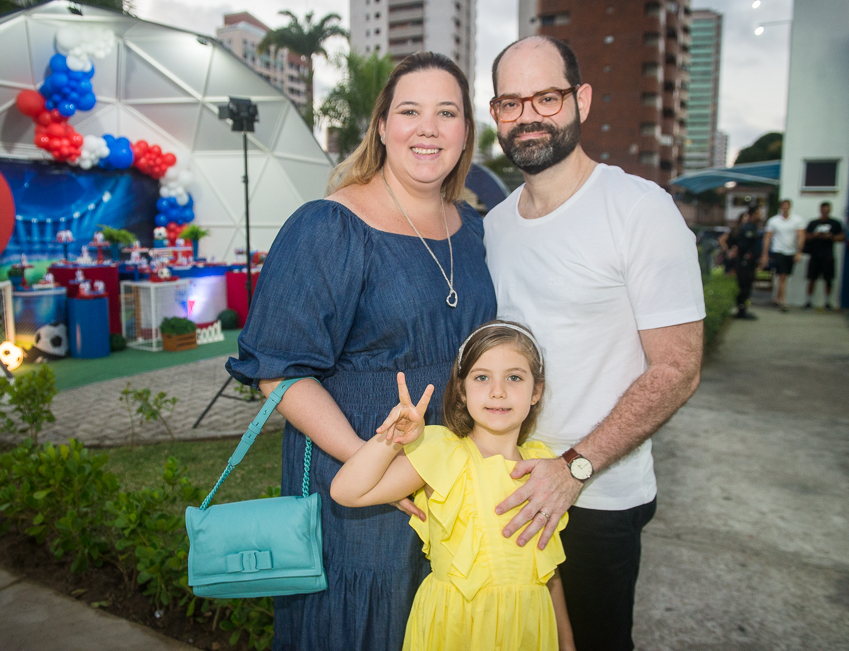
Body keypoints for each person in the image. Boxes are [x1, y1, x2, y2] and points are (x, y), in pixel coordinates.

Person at [225, 52, 496, 651]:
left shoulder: (473, 229)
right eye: (410, 111)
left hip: (450, 479)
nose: (428, 128)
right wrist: (378, 471)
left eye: (447, 112)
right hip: (356, 480)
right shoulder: (329, 226)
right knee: (366, 624)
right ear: (381, 126)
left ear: (466, 133)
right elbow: (280, 372)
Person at [482, 36, 706, 651]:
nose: (528, 115)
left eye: (547, 97)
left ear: (580, 100)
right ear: (496, 114)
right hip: (508, 492)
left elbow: (677, 370)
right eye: (510, 102)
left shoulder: (639, 210)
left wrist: (573, 468)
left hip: (598, 497)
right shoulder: (494, 228)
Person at [331, 321, 576, 651]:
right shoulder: (442, 452)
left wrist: (566, 641)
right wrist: (392, 439)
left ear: (536, 391)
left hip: (529, 630)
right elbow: (346, 491)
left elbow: (548, 569)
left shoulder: (544, 467)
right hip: (454, 629)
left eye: (514, 377)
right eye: (482, 377)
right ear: (462, 390)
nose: (498, 391)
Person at [761, 199, 806, 312]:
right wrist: (765, 254)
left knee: (784, 276)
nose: (785, 208)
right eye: (783, 206)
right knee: (782, 275)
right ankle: (783, 302)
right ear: (780, 207)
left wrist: (799, 252)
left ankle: (777, 299)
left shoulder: (797, 220)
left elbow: (801, 236)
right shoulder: (774, 221)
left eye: (787, 206)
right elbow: (767, 238)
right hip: (778, 250)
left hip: (790, 251)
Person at [803, 201, 845, 310]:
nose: (825, 212)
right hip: (815, 255)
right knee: (812, 278)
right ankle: (809, 301)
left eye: (827, 210)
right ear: (820, 210)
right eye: (823, 210)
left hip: (828, 255)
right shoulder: (813, 223)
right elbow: (806, 236)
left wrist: (830, 237)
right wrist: (814, 235)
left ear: (829, 210)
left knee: (828, 279)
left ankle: (827, 301)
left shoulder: (835, 223)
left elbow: (842, 237)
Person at [734, 205, 764, 320]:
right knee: (744, 286)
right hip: (745, 262)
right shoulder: (747, 228)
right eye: (758, 213)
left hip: (750, 262)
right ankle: (741, 310)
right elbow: (743, 246)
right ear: (752, 215)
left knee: (747, 286)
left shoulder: (753, 227)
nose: (760, 216)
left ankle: (743, 309)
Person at [718, 211, 749, 276]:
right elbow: (721, 239)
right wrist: (727, 249)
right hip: (733, 253)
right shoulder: (735, 230)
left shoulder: (748, 231)